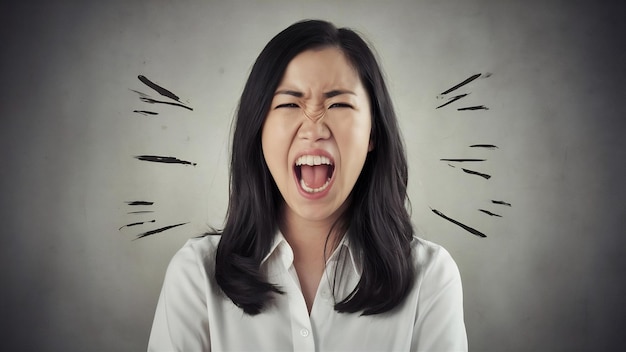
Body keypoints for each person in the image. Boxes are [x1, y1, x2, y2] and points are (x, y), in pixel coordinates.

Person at [148, 19, 467, 351]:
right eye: (289, 104)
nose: (314, 129)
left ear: (373, 132)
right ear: (258, 130)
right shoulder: (196, 275)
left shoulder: (431, 278)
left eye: (339, 104)